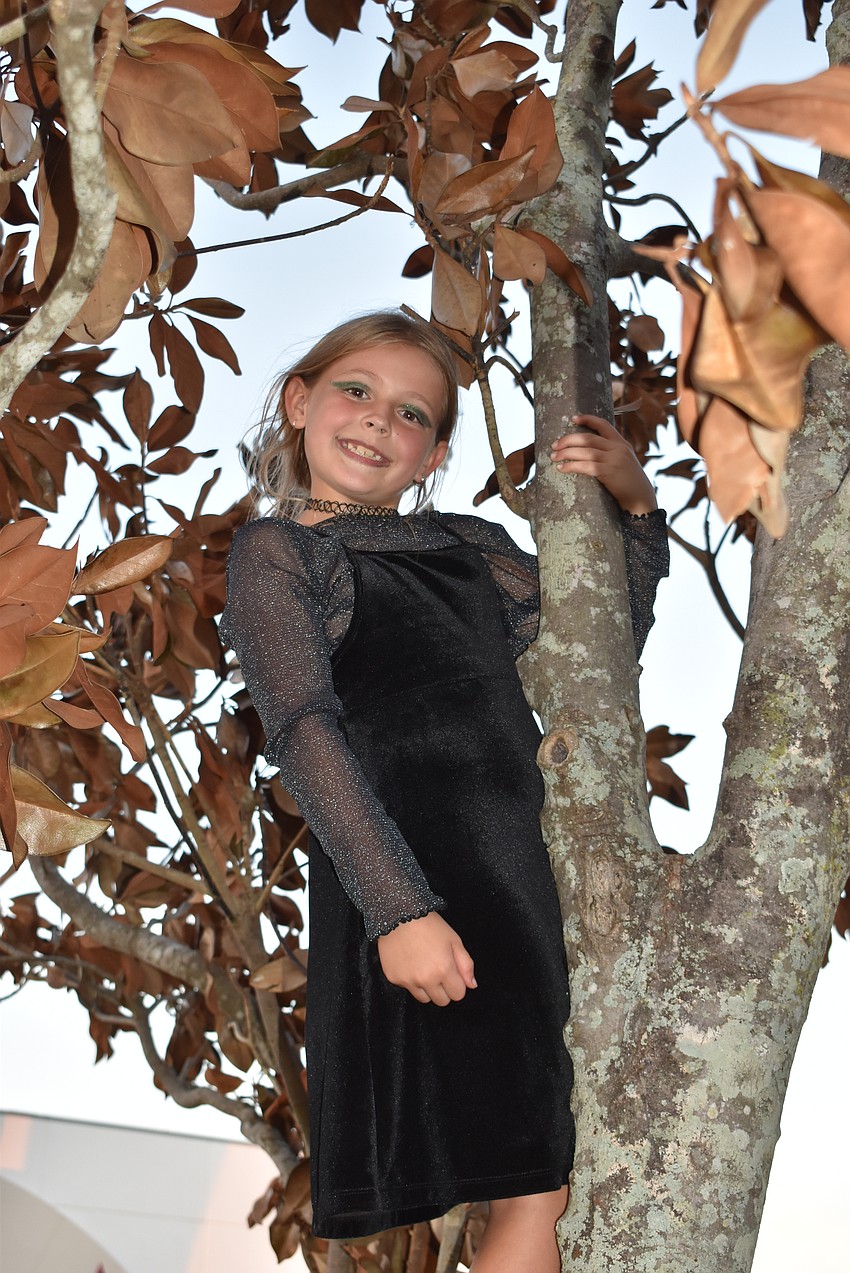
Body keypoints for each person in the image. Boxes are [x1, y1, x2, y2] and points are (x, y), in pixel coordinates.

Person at [220, 310, 668, 1272]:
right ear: (300, 401)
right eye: (356, 391)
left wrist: (638, 510)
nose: (378, 420)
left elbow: (597, 651)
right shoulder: (280, 554)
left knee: (542, 1165)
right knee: (531, 1176)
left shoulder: (470, 543)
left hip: (526, 878)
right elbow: (304, 728)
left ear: (435, 452)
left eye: (410, 412)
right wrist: (399, 911)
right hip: (419, 884)